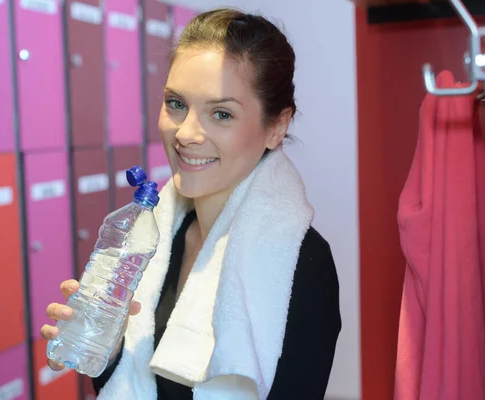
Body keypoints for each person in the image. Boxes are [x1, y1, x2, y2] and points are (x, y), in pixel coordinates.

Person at [40, 7, 341, 400]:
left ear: (277, 127)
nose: (185, 133)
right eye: (176, 104)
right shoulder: (156, 236)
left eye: (220, 113)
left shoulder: (303, 263)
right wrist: (108, 350)